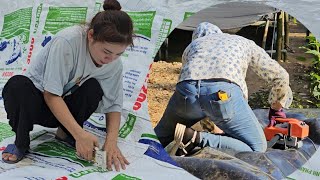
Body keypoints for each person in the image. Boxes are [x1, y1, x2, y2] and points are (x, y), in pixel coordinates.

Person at [1, 0, 133, 171]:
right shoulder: (67, 42)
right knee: (17, 85)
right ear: (91, 35)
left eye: (118, 54)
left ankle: (66, 133)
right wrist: (81, 134)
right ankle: (21, 142)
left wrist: (111, 142)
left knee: (93, 87)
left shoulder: (113, 63)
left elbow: (114, 104)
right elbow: (50, 95)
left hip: (65, 109)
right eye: (106, 52)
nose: (110, 59)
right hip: (36, 105)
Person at [154, 22, 292, 156]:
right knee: (258, 147)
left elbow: (197, 87)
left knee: (154, 139)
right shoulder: (243, 42)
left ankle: (137, 158)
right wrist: (276, 107)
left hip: (185, 94)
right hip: (223, 94)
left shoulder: (193, 46)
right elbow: (281, 76)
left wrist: (213, 127)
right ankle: (195, 138)